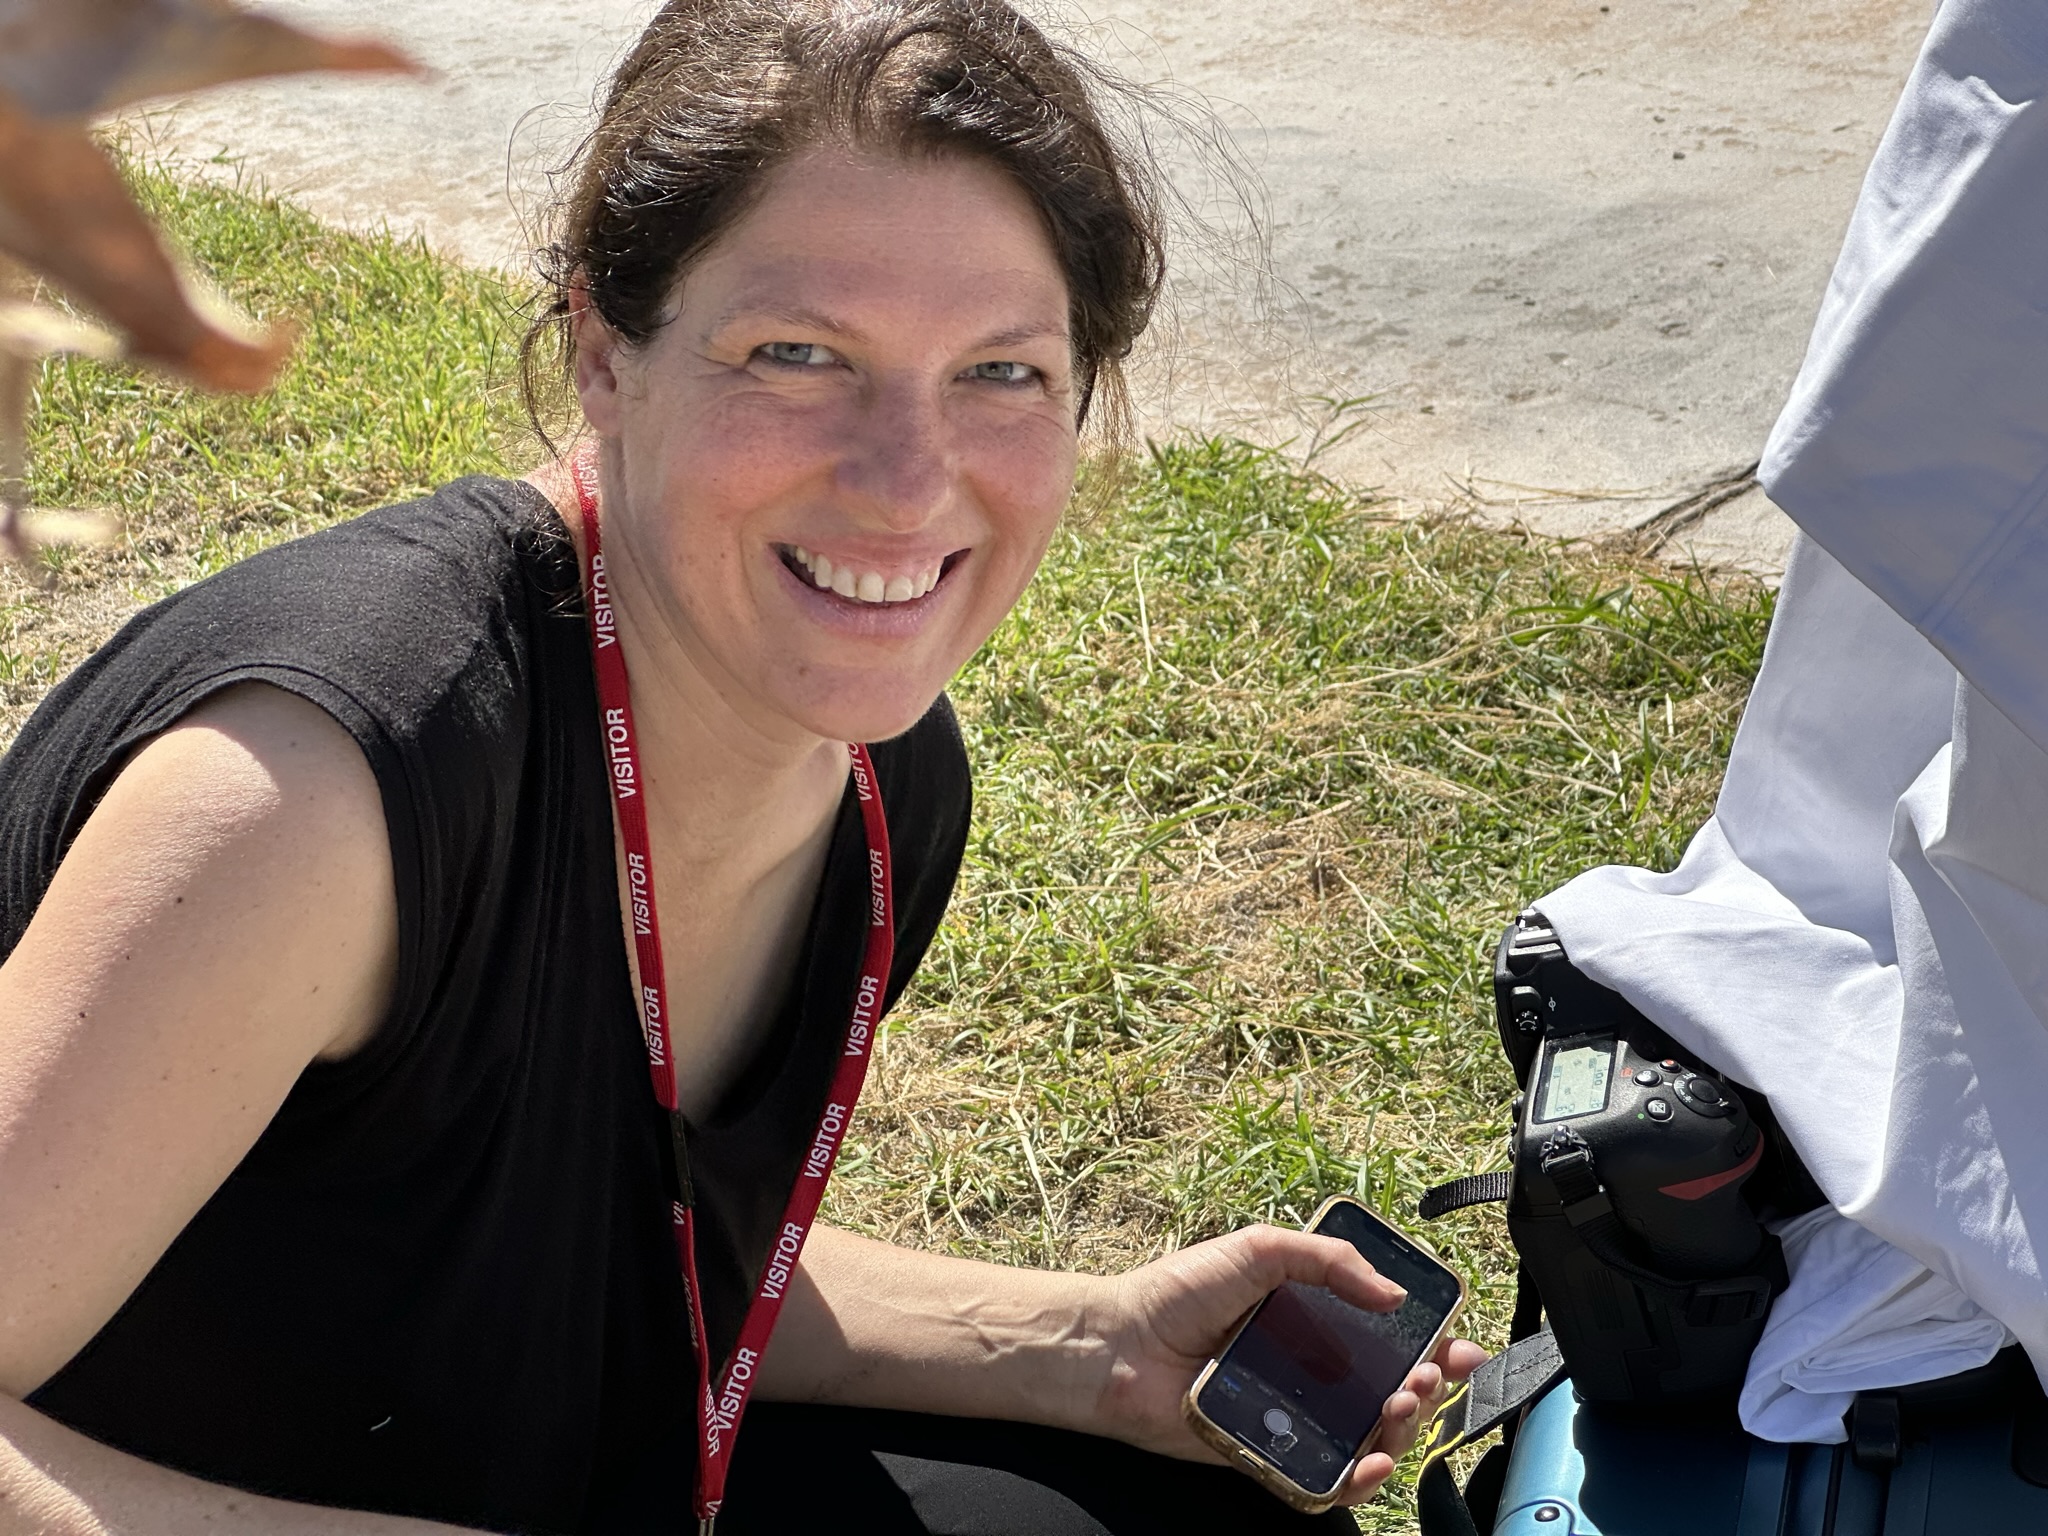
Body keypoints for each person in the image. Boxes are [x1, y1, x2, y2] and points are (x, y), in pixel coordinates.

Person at [0, 2, 1483, 1533]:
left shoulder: (884, 788)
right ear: (603, 354)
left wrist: (1091, 1351)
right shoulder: (318, 797)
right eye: (798, 355)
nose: (906, 483)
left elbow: (627, 1261)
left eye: (1003, 372)